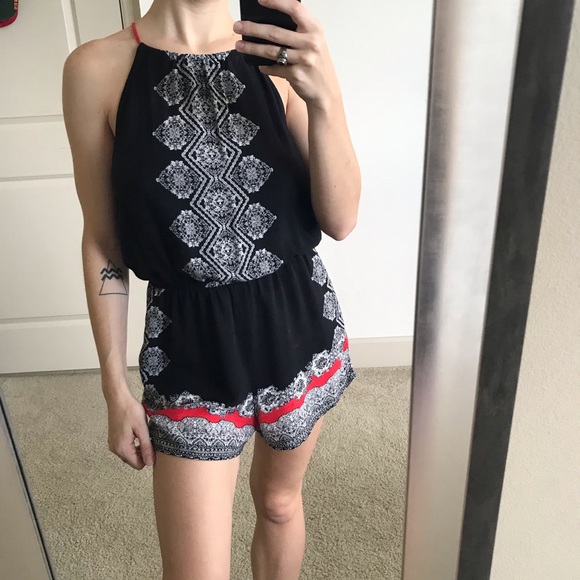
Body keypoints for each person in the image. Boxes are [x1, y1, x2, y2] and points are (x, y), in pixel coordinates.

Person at [62, 0, 361, 578]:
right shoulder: (95, 70)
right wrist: (113, 387)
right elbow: (103, 242)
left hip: (296, 323)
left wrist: (325, 96)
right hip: (188, 345)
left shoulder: (280, 52)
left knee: (279, 503)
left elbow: (342, 219)